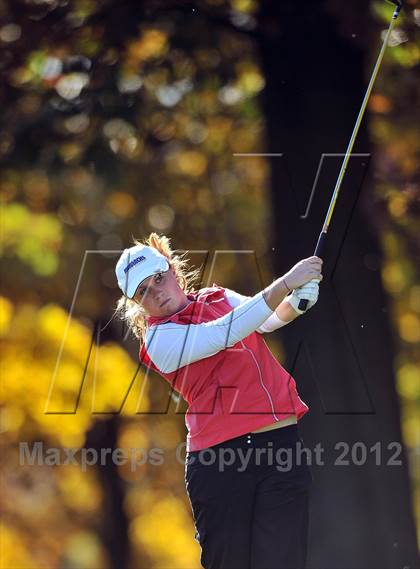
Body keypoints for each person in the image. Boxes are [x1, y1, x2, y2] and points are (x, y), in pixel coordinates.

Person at [115, 232, 323, 569]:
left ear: (171, 269)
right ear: (136, 303)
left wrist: (296, 303)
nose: (155, 292)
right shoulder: (158, 340)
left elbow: (265, 319)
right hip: (219, 462)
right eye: (143, 292)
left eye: (157, 279)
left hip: (280, 446)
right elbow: (223, 332)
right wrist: (287, 282)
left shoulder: (218, 296)